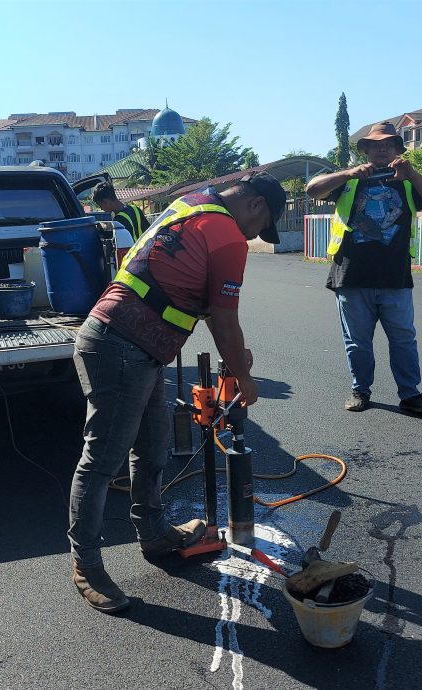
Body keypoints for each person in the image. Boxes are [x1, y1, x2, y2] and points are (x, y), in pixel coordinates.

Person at [69, 172, 286, 613]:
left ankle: (153, 533)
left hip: (133, 343)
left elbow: (185, 287)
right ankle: (86, 566)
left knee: (153, 449)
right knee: (101, 461)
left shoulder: (192, 203)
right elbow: (224, 319)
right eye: (259, 228)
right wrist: (244, 379)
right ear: (257, 206)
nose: (254, 237)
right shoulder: (228, 235)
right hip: (122, 345)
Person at [306, 122, 422, 415]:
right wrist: (347, 172)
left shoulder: (408, 181)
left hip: (395, 277)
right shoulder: (351, 180)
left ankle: (410, 395)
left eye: (388, 144)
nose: (382, 149)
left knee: (404, 339)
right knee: (356, 342)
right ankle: (360, 390)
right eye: (375, 145)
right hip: (351, 276)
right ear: (366, 150)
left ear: (397, 149)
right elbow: (312, 190)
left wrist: (412, 174)